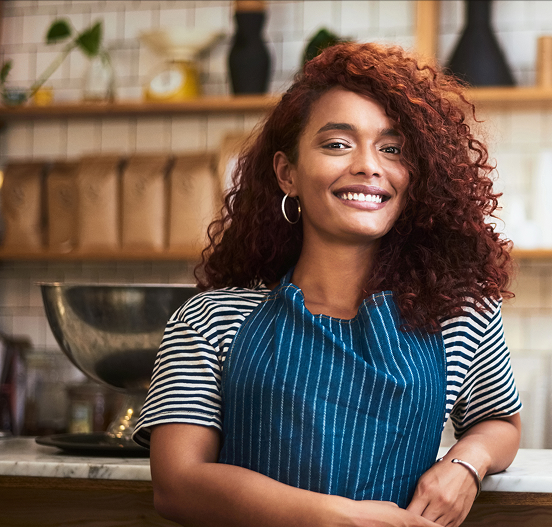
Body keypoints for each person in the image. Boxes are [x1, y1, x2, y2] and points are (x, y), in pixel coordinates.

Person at [133, 43, 521, 527]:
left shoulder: (460, 314)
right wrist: (343, 518)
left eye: (392, 148)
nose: (367, 165)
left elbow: (499, 422)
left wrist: (467, 463)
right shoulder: (211, 320)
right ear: (287, 173)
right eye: (337, 144)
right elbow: (177, 485)